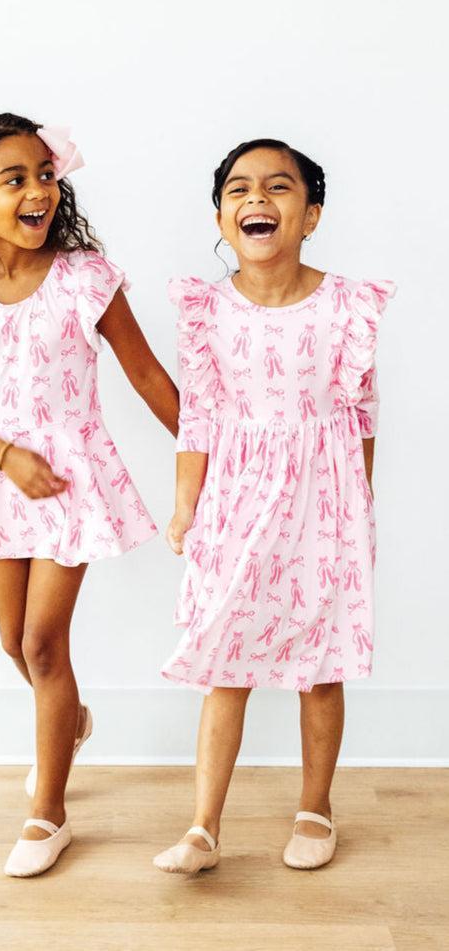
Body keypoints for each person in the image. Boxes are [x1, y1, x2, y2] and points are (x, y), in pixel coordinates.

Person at [0, 112, 179, 877]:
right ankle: (73, 721)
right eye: (13, 178)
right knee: (10, 641)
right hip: (0, 479)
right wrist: (2, 455)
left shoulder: (87, 276)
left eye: (45, 175)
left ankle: (47, 811)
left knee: (41, 643)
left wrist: (210, 455)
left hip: (70, 480)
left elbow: (147, 377)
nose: (37, 191)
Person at [153, 138, 396, 875]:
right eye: (239, 189)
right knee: (225, 658)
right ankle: (202, 827)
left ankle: (315, 805)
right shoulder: (205, 310)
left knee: (319, 664)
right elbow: (197, 415)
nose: (257, 198)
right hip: (235, 494)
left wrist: (359, 500)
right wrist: (185, 503)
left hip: (323, 499)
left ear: (310, 213)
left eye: (279, 187)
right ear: (221, 217)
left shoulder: (346, 305)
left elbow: (361, 413)